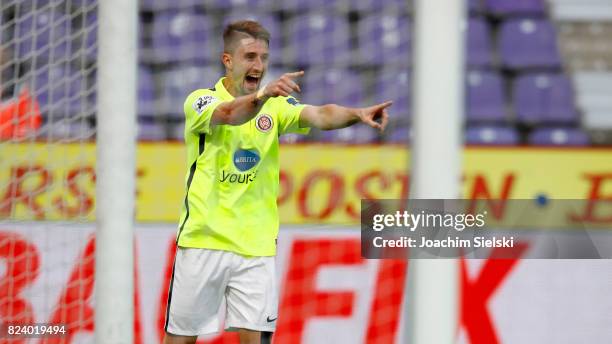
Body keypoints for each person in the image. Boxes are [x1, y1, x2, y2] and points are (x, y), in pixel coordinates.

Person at [163, 20, 391, 344]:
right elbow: (230, 115)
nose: (259, 65)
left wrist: (357, 113)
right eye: (250, 57)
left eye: (264, 58)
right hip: (203, 242)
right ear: (227, 60)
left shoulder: (276, 106)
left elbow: (321, 115)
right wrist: (262, 94)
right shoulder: (201, 101)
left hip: (255, 249)